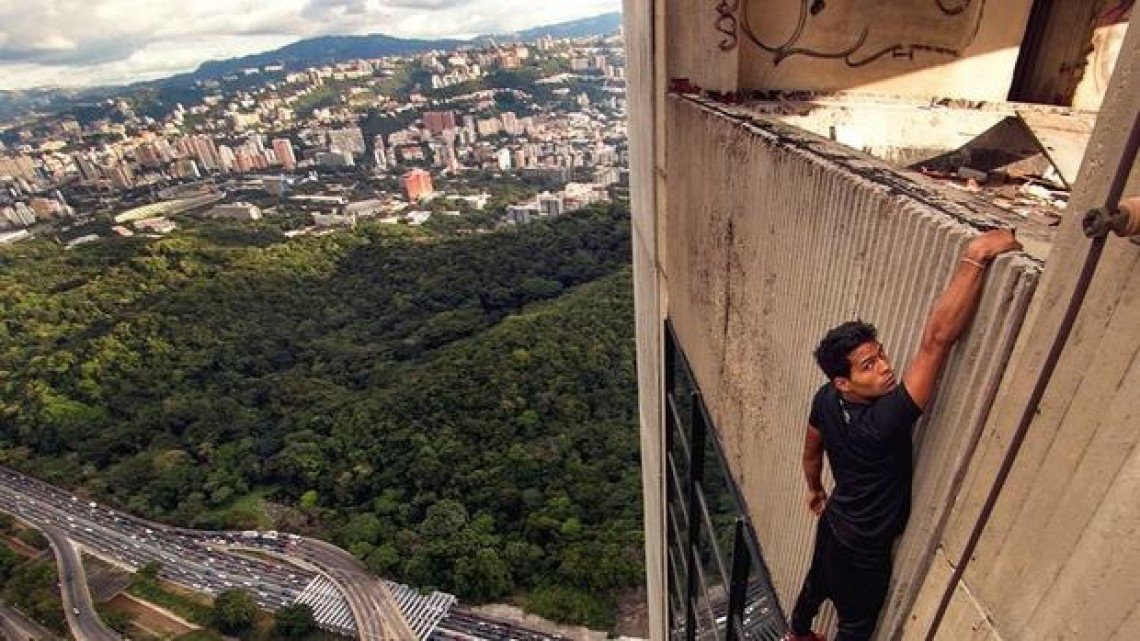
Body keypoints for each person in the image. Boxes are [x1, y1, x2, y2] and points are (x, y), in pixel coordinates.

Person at [785, 229, 1022, 641]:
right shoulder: (884, 422)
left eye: (881, 355)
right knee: (855, 627)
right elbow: (935, 343)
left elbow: (811, 450)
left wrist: (813, 487)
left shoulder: (825, 397)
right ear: (844, 382)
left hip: (834, 523)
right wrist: (976, 256)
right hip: (863, 552)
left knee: (815, 586)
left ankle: (798, 635)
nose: (885, 369)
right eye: (868, 366)